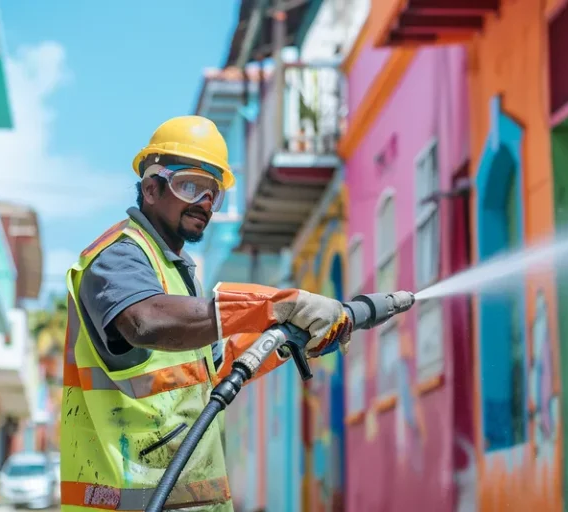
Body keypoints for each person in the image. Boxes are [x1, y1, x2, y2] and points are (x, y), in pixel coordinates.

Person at [59, 116, 352, 512]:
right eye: (190, 186)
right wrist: (274, 305)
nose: (205, 202)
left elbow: (210, 371)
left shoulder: (180, 276)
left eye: (214, 193)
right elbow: (146, 322)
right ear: (151, 187)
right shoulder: (117, 258)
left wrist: (284, 339)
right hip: (129, 502)